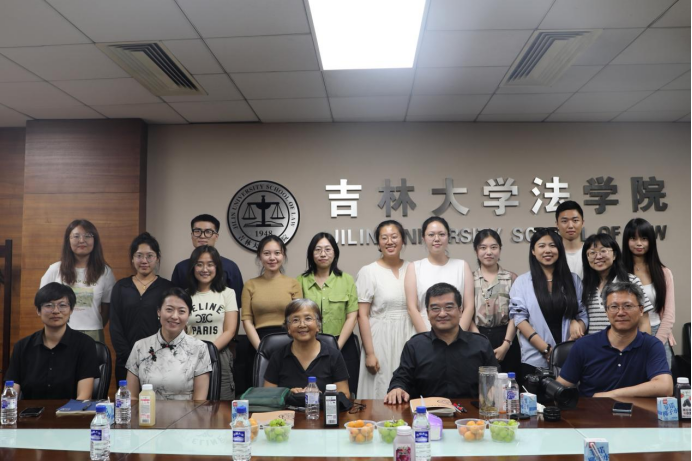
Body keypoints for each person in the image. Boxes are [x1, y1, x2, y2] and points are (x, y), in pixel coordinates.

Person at [384, 283, 498, 403]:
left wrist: (494, 391)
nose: (442, 314)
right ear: (428, 313)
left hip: (471, 413)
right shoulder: (414, 346)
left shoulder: (481, 344)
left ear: (460, 311)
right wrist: (397, 388)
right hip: (426, 412)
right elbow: (401, 378)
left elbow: (496, 380)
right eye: (435, 308)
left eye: (449, 307)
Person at [557, 281, 673, 398]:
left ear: (641, 310)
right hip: (591, 409)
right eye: (614, 307)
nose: (621, 312)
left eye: (628, 306)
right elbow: (560, 388)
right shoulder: (584, 345)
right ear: (606, 311)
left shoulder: (651, 345)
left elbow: (665, 387)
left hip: (634, 409)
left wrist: (611, 395)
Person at [509, 228, 588, 378]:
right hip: (534, 359)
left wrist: (573, 336)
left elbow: (582, 314)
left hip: (569, 356)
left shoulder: (573, 280)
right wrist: (546, 350)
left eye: (552, 245)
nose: (547, 250)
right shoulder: (522, 282)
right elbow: (519, 319)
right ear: (533, 251)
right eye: (541, 246)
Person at [6, 283, 99, 400]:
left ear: (71, 310)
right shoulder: (22, 346)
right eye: (49, 305)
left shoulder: (85, 344)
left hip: (70, 411)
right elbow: (10, 394)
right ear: (38, 310)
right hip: (30, 411)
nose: (56, 311)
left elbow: (84, 396)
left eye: (62, 305)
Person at [356, 220, 414, 399]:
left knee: (409, 385)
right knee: (380, 387)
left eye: (394, 236)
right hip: (380, 338)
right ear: (378, 243)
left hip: (409, 334)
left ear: (402, 240)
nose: (390, 242)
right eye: (384, 238)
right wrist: (370, 353)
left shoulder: (413, 268)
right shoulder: (368, 271)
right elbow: (362, 315)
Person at [297, 232, 359, 393]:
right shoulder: (300, 281)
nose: (323, 254)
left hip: (343, 345)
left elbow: (352, 316)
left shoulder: (347, 279)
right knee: (311, 393)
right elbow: (297, 316)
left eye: (327, 249)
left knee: (345, 394)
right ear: (311, 254)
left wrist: (336, 347)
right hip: (310, 346)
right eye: (318, 250)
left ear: (335, 253)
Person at [126, 287, 211, 400]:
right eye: (169, 309)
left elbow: (199, 401)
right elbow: (132, 397)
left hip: (187, 411)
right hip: (148, 410)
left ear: (188, 315)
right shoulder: (140, 347)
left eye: (181, 311)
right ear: (159, 311)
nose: (174, 316)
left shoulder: (199, 348)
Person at [241, 236, 302, 391]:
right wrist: (261, 349)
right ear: (260, 256)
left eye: (277, 253)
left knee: (290, 391)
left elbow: (297, 318)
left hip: (289, 343)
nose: (272, 258)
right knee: (261, 393)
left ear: (283, 255)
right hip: (258, 342)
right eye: (267, 253)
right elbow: (247, 320)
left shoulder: (293, 283)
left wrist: (292, 347)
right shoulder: (250, 285)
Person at [110, 232, 172, 382]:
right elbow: (115, 326)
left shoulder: (167, 288)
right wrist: (129, 356)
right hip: (126, 361)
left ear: (157, 258)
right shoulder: (121, 287)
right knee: (127, 397)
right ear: (132, 258)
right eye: (139, 256)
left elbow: (171, 324)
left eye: (150, 256)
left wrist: (156, 354)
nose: (144, 261)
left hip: (159, 361)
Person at [40, 219, 116, 342]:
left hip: (93, 333)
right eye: (76, 236)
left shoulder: (105, 272)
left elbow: (107, 307)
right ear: (68, 241)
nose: (82, 240)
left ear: (95, 240)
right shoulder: (55, 269)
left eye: (88, 236)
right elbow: (42, 303)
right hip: (60, 332)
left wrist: (94, 325)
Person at [264, 299, 350, 395]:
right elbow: (267, 395)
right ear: (288, 327)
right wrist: (287, 394)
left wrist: (321, 396)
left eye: (308, 319)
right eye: (295, 320)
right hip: (288, 405)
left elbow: (345, 394)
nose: (302, 325)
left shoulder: (334, 356)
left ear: (318, 325)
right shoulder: (278, 357)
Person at [404, 216, 475, 333]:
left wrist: (457, 336)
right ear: (424, 238)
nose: (436, 239)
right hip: (424, 332)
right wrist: (426, 338)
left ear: (448, 237)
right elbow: (412, 308)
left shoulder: (462, 266)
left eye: (441, 234)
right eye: (431, 235)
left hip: (458, 333)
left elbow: (469, 307)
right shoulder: (414, 267)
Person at [622, 218, 676, 368]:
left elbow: (669, 315)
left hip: (659, 334)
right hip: (628, 335)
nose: (639, 243)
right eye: (633, 238)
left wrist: (655, 343)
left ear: (651, 241)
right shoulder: (619, 273)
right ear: (626, 241)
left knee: (661, 380)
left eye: (644, 238)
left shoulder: (664, 273)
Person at [186, 245, 238, 400]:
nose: (205, 269)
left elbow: (230, 330)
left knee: (222, 404)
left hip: (219, 355)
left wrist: (209, 351)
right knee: (192, 404)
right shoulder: (185, 296)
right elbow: (181, 330)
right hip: (190, 356)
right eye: (199, 264)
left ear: (217, 267)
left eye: (210, 264)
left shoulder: (227, 293)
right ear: (193, 267)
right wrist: (197, 353)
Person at [471, 229, 521, 378]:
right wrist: (479, 341)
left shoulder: (512, 278)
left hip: (506, 337)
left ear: (500, 250)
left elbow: (516, 314)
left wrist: (506, 344)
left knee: (509, 384)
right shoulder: (470, 279)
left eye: (493, 247)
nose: (489, 252)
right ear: (476, 251)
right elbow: (466, 312)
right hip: (477, 337)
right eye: (483, 247)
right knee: (480, 385)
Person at [581, 233, 652, 335]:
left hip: (626, 343)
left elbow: (644, 322)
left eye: (603, 251)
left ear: (614, 255)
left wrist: (642, 344)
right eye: (592, 253)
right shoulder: (584, 286)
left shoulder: (631, 281)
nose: (598, 256)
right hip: (593, 344)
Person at [171, 214, 243, 308]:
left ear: (216, 236)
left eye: (208, 232)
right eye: (197, 231)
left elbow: (236, 304)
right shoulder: (180, 268)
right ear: (192, 235)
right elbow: (174, 302)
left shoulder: (230, 267)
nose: (202, 236)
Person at [555, 201, 585, 280]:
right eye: (564, 221)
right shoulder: (552, 253)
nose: (570, 226)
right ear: (557, 224)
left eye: (575, 220)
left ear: (582, 223)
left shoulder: (591, 251)